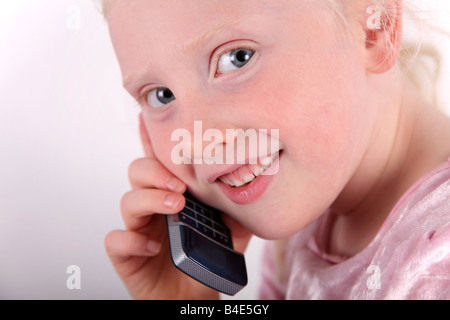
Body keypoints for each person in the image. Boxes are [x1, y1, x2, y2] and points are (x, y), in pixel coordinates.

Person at [101, 0, 450, 299]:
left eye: (236, 58)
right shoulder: (306, 216)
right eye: (161, 95)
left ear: (374, 28)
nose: (196, 142)